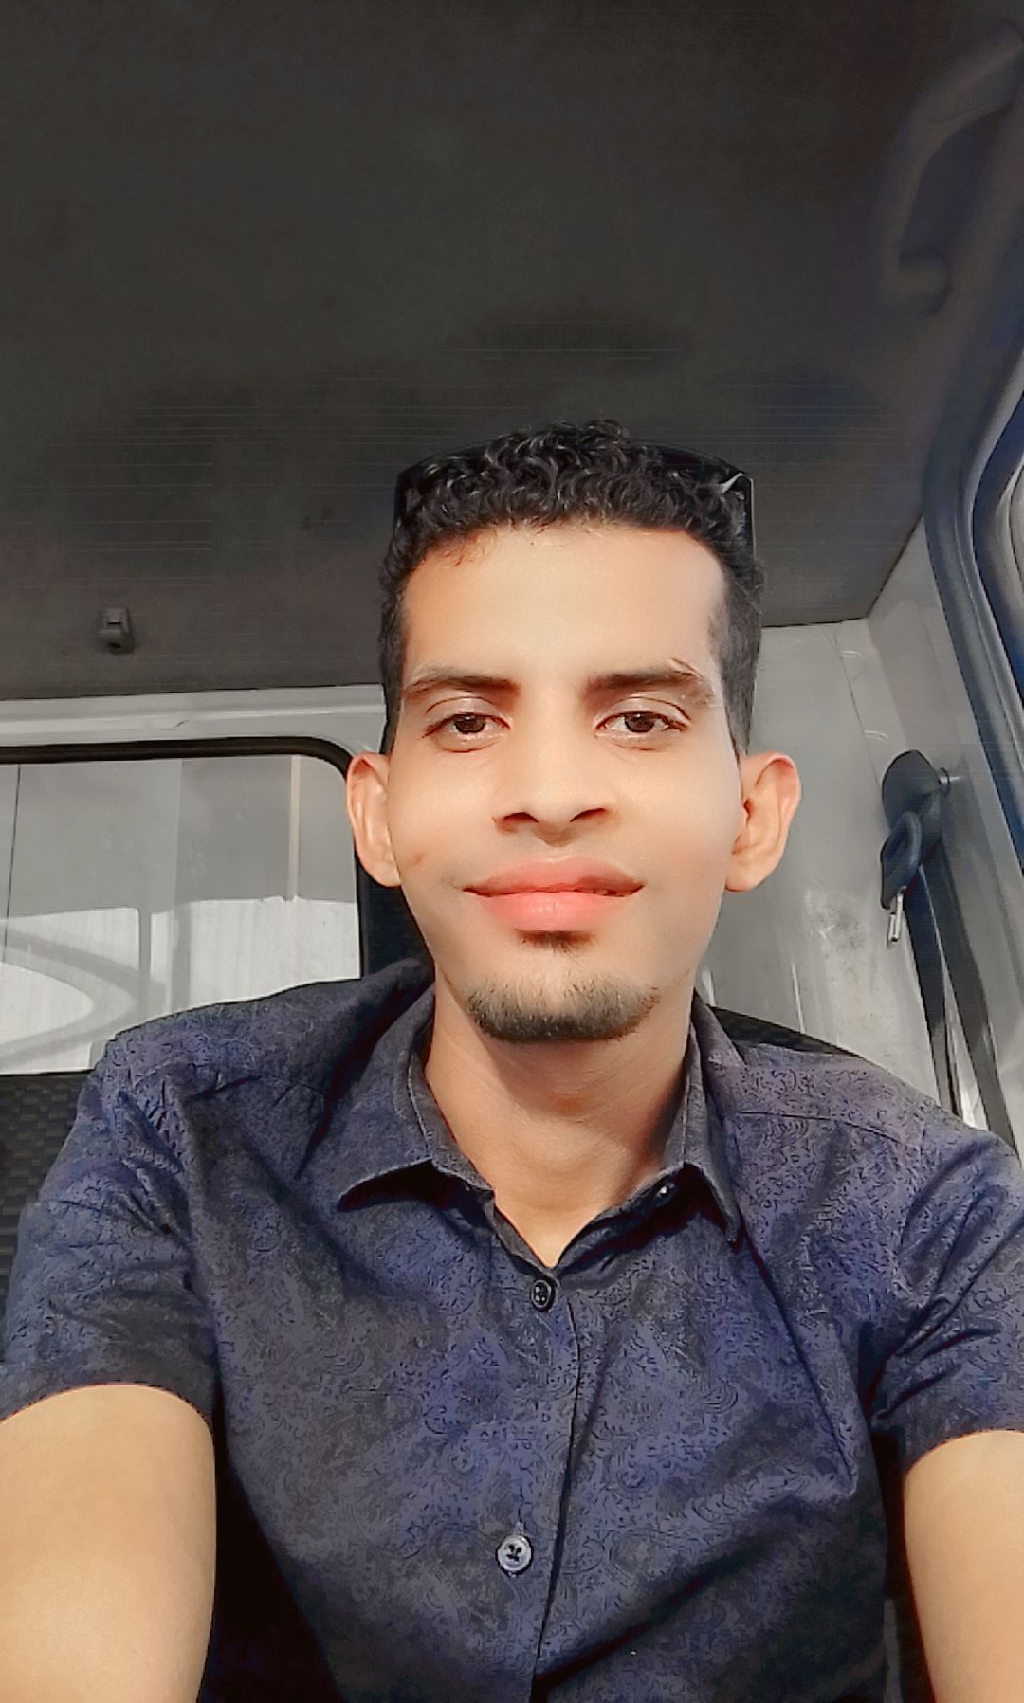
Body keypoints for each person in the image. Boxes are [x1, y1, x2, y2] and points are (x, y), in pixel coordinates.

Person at [2, 417, 1024, 1703]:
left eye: (640, 717)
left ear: (752, 815)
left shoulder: (928, 1210)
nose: (547, 790)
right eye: (469, 720)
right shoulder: (176, 1131)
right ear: (378, 812)